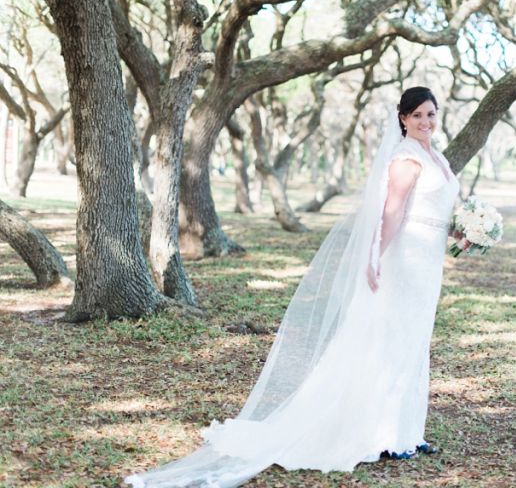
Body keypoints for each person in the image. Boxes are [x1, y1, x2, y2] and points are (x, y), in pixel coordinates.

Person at [126, 87, 460, 487]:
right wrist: (375, 257)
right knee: (392, 339)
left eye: (431, 114)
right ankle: (388, 434)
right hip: (403, 261)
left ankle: (407, 431)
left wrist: (462, 231)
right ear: (403, 118)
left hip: (427, 262)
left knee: (413, 341)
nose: (426, 122)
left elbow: (436, 209)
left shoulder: (433, 154)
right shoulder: (406, 159)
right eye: (418, 115)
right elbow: (392, 214)